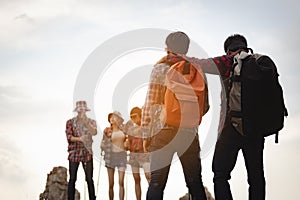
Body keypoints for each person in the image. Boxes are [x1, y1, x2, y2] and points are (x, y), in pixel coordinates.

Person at [182, 34, 283, 200]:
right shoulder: (259, 63)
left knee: (221, 174)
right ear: (245, 46)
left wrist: (178, 56)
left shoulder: (228, 61)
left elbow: (200, 64)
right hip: (256, 130)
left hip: (230, 129)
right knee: (256, 175)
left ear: (228, 50)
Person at [141, 31, 208, 200]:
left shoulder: (160, 67)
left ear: (168, 48)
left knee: (157, 182)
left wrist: (145, 135)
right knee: (195, 183)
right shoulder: (196, 69)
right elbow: (205, 106)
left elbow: (150, 103)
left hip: (163, 131)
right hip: (188, 133)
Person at [65, 100, 97, 200]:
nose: (81, 113)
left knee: (89, 179)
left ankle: (92, 198)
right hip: (74, 153)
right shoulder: (70, 122)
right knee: (73, 178)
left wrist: (86, 122)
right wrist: (80, 139)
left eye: (83, 111)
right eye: (80, 112)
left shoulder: (91, 122)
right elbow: (69, 137)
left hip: (87, 153)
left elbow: (94, 132)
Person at [124, 107, 150, 200]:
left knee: (148, 176)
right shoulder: (130, 129)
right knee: (136, 179)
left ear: (140, 115)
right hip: (133, 155)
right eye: (131, 117)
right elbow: (127, 144)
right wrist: (126, 144)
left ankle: (152, 196)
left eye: (135, 116)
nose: (133, 119)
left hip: (144, 155)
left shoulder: (146, 126)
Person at [101, 111, 127, 200]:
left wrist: (127, 144)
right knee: (111, 183)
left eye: (114, 117)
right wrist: (102, 145)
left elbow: (128, 141)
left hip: (122, 156)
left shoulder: (123, 129)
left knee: (121, 181)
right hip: (110, 157)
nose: (112, 119)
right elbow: (102, 143)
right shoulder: (107, 130)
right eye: (111, 117)